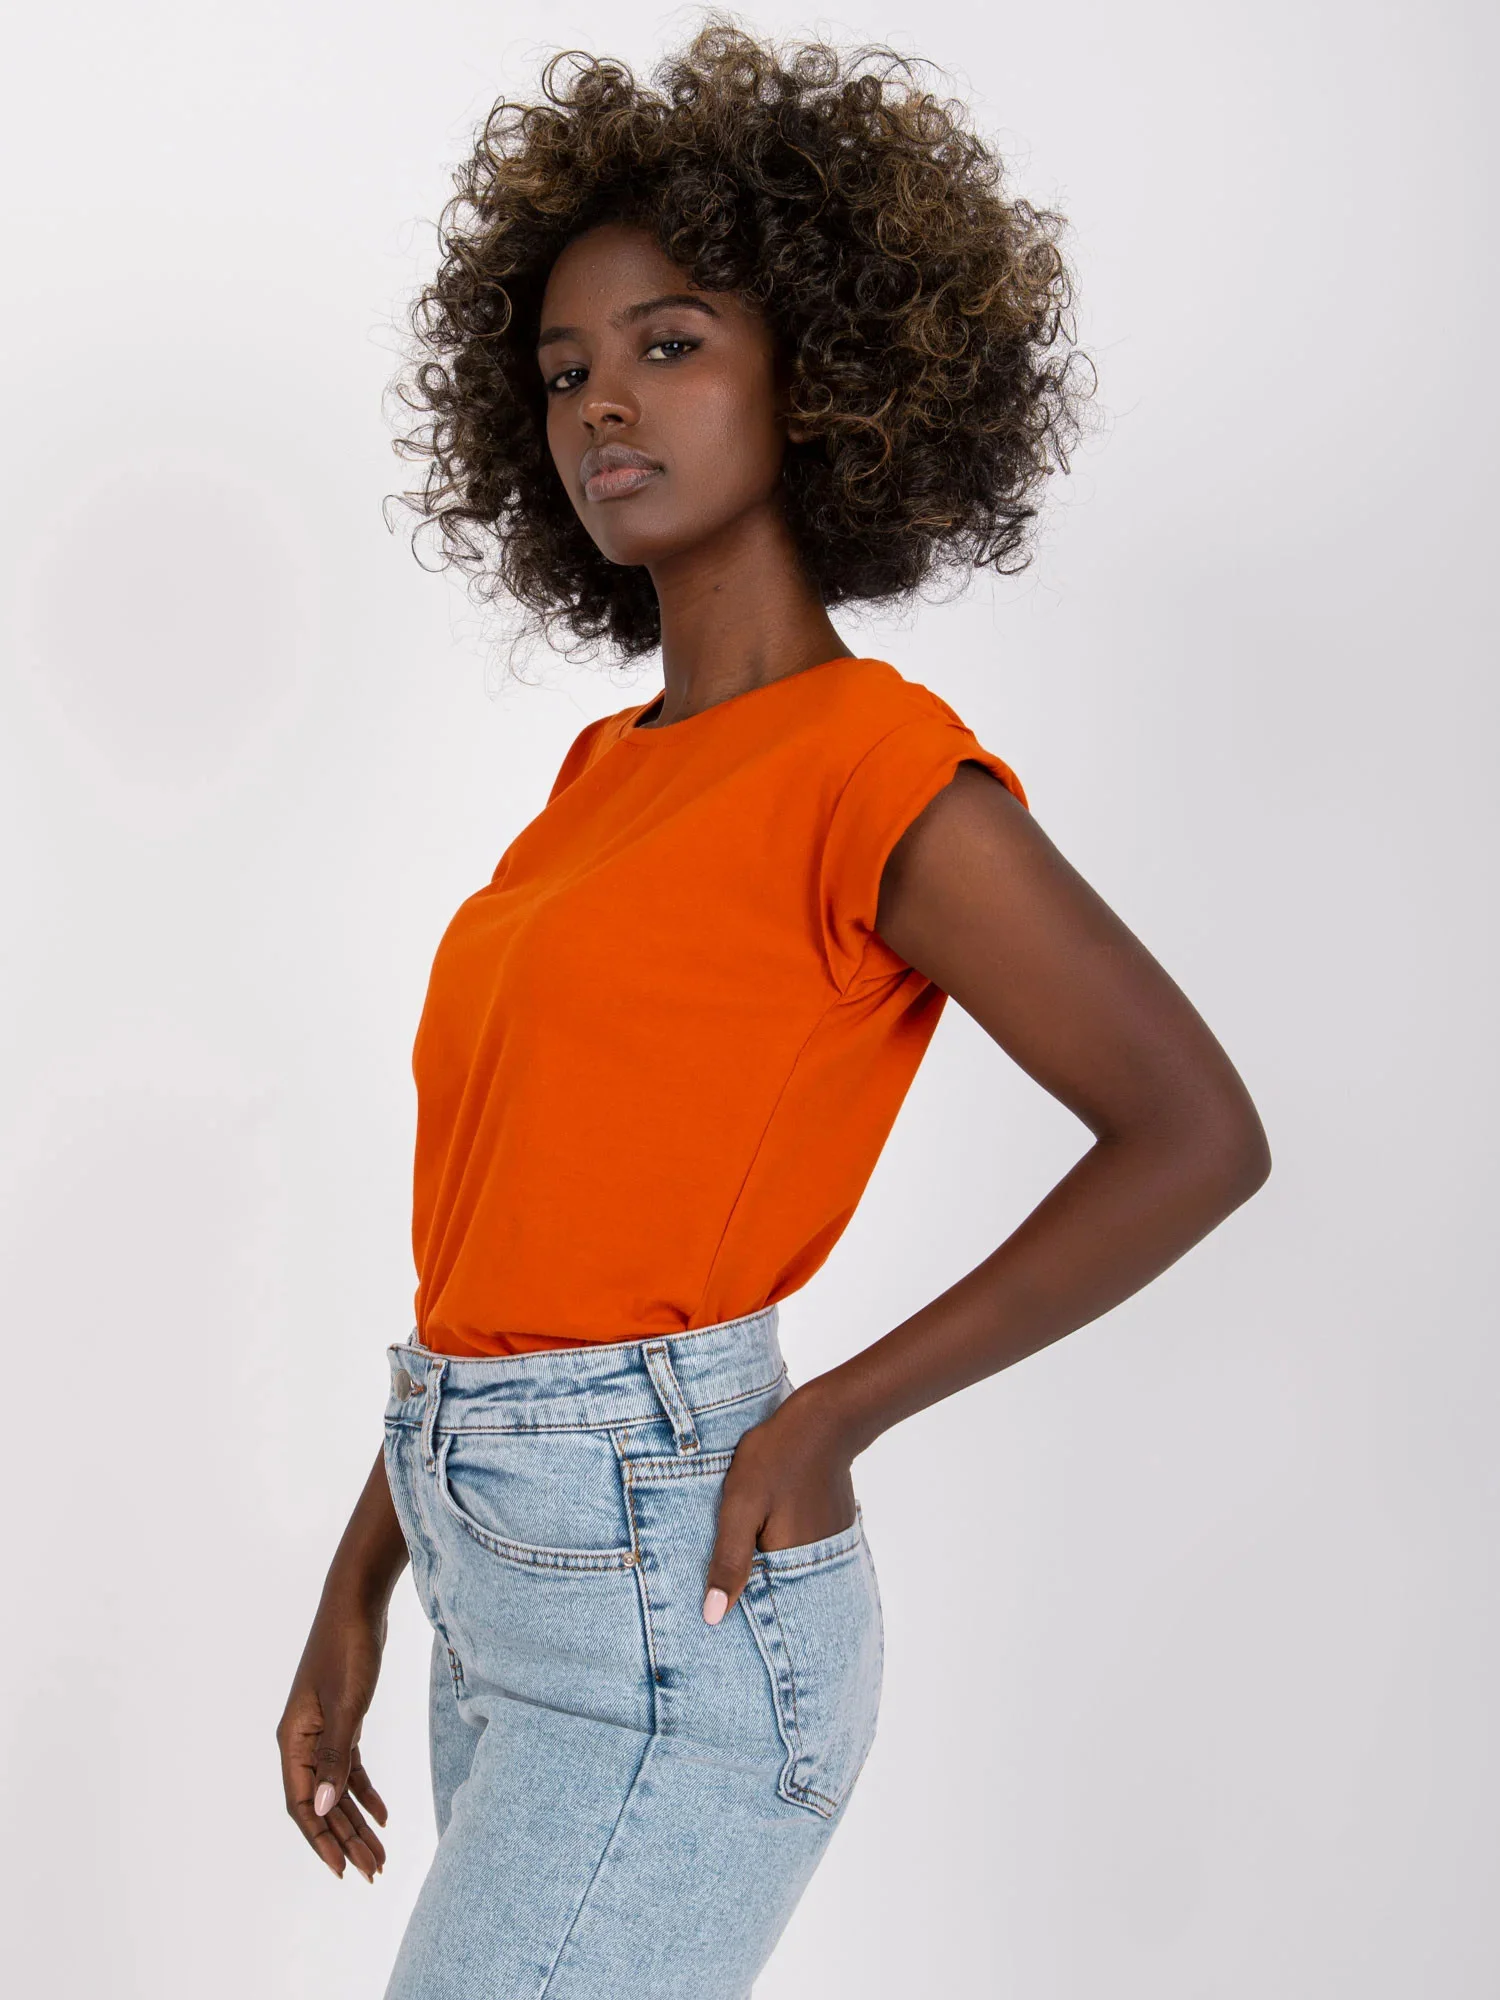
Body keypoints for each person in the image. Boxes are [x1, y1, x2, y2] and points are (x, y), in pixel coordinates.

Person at [276, 22, 1271, 1997]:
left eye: (669, 344)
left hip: (679, 1603)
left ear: (819, 373)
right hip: (496, 1582)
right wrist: (357, 1587)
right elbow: (509, 1250)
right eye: (563, 369)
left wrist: (832, 1416)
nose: (601, 403)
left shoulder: (873, 769)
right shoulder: (601, 776)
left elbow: (1196, 1136)